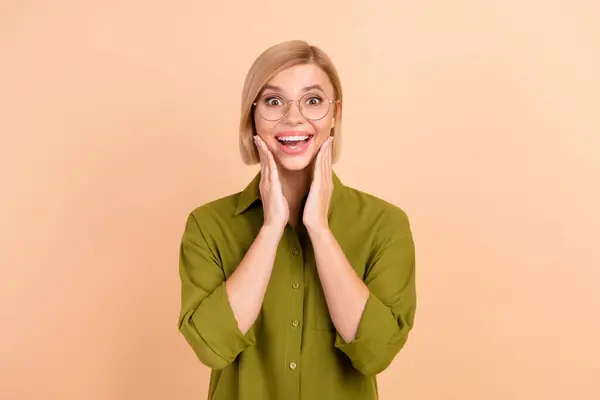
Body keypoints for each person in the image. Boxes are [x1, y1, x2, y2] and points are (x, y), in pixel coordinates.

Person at [177, 39, 417, 400]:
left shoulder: (385, 225)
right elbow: (212, 347)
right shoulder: (208, 225)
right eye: (274, 101)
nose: (294, 117)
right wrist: (271, 228)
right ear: (252, 115)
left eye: (313, 100)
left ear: (334, 114)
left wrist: (319, 230)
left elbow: (376, 352)